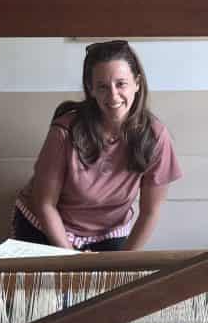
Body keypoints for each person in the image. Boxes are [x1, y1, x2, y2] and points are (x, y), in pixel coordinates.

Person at [13, 40, 182, 251]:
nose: (113, 95)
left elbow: (150, 212)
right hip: (45, 226)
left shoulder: (156, 137)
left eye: (121, 84)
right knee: (51, 284)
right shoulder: (64, 132)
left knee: (117, 283)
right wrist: (71, 260)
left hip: (109, 232)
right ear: (91, 89)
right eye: (102, 87)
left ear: (137, 83)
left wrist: (122, 264)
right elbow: (45, 205)